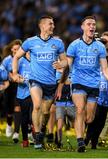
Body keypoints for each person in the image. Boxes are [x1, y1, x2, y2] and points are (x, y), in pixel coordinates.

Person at [57, 16, 108, 152]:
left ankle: (77, 124)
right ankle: (80, 141)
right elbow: (68, 63)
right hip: (78, 82)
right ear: (83, 27)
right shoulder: (74, 45)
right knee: (80, 109)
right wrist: (60, 65)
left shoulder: (100, 47)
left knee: (89, 118)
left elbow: (104, 69)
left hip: (94, 84)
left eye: (94, 24)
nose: (92, 26)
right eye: (89, 24)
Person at [12, 15, 67, 149]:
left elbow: (65, 61)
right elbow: (16, 57)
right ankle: (37, 137)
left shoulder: (58, 43)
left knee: (46, 112)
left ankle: (42, 130)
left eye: (53, 24)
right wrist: (14, 73)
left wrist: (61, 64)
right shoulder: (30, 42)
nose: (53, 26)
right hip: (35, 80)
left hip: (50, 83)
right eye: (50, 24)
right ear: (42, 26)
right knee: (36, 106)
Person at [1, 39, 22, 139]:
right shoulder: (7, 60)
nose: (16, 51)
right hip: (9, 86)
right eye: (14, 49)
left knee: (17, 107)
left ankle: (16, 132)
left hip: (20, 86)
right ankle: (9, 125)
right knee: (9, 110)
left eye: (18, 49)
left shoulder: (23, 59)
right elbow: (2, 71)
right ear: (11, 49)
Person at [15, 52, 33, 147]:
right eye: (28, 52)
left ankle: (36, 137)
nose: (30, 54)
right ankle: (25, 140)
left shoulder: (36, 60)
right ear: (25, 52)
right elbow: (12, 74)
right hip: (23, 93)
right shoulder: (20, 61)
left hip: (35, 91)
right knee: (25, 117)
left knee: (33, 116)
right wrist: (17, 78)